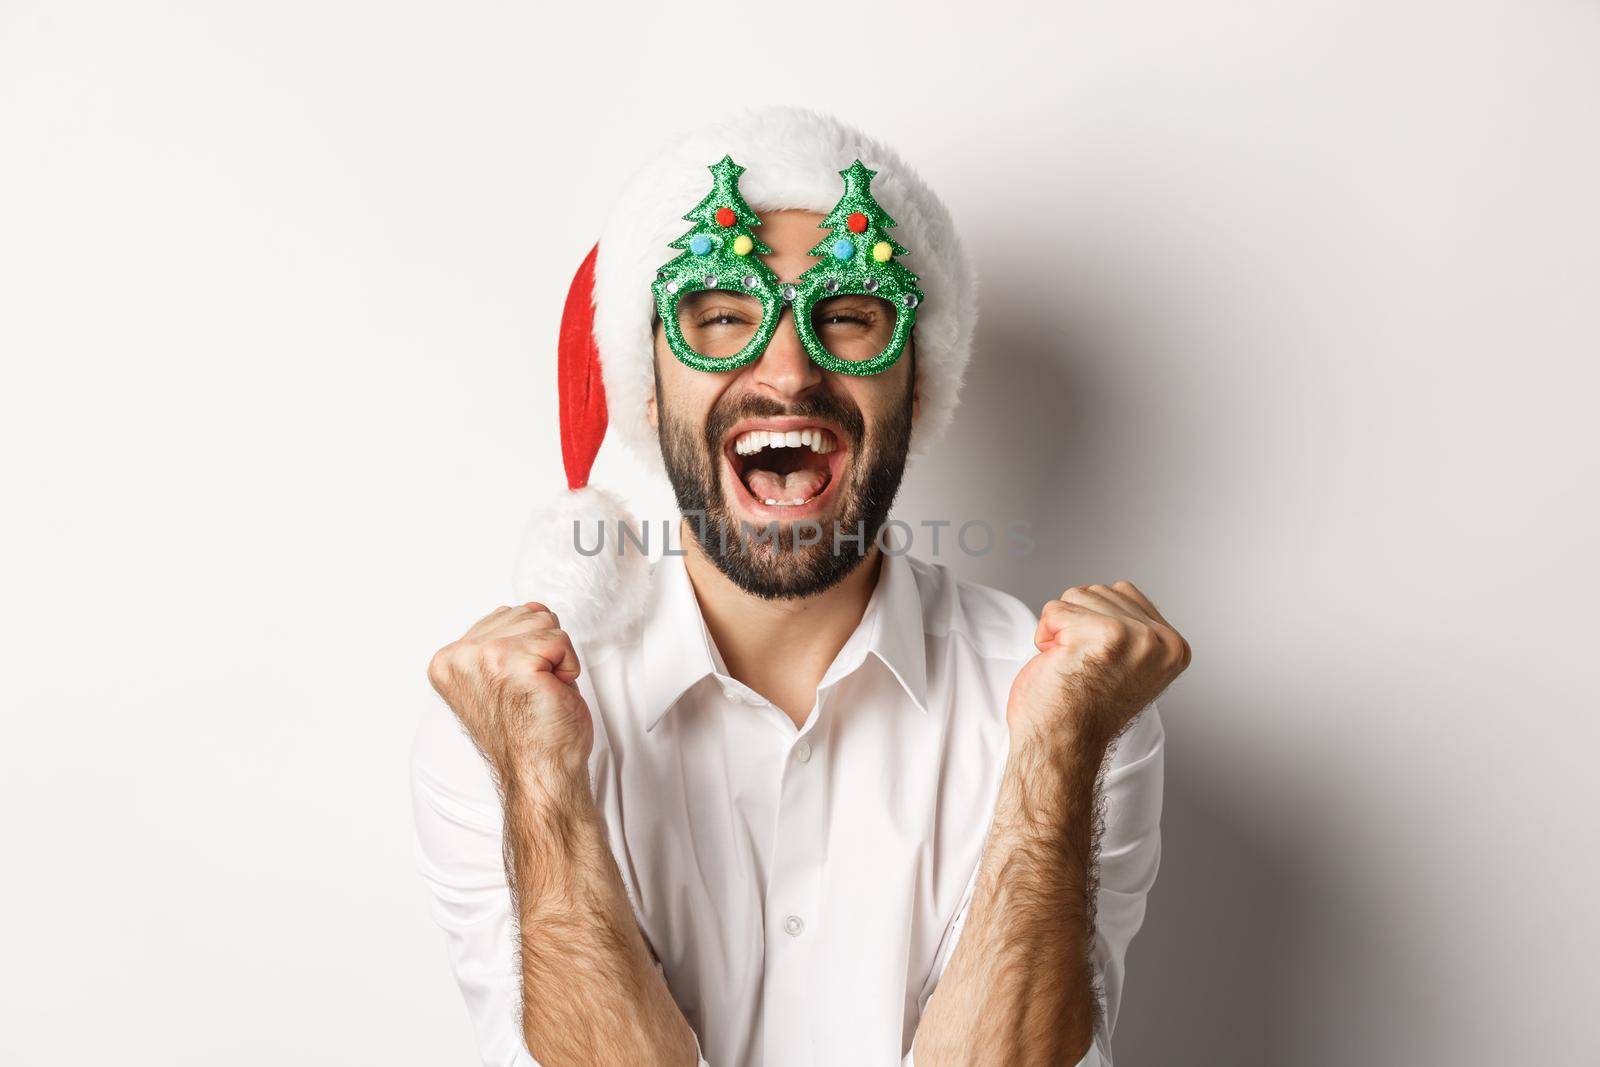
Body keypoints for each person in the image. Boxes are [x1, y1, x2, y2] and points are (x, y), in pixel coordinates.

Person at [411, 105, 1190, 1067]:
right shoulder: (505, 718)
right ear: (649, 389)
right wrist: (541, 782)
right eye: (724, 316)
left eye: (850, 316)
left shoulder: (1068, 706)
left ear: (916, 383)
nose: (787, 369)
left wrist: (1062, 752)